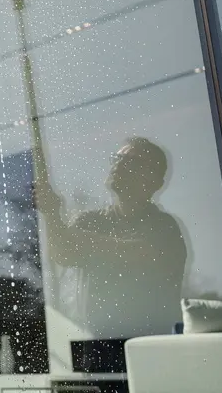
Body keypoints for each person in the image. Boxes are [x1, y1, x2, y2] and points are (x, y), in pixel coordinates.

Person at [32, 137, 188, 337]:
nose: (119, 164)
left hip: (151, 345)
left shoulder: (164, 227)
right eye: (117, 158)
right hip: (97, 345)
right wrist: (52, 214)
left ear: (154, 182)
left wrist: (82, 239)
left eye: (131, 161)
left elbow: (142, 253)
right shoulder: (90, 220)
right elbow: (63, 254)